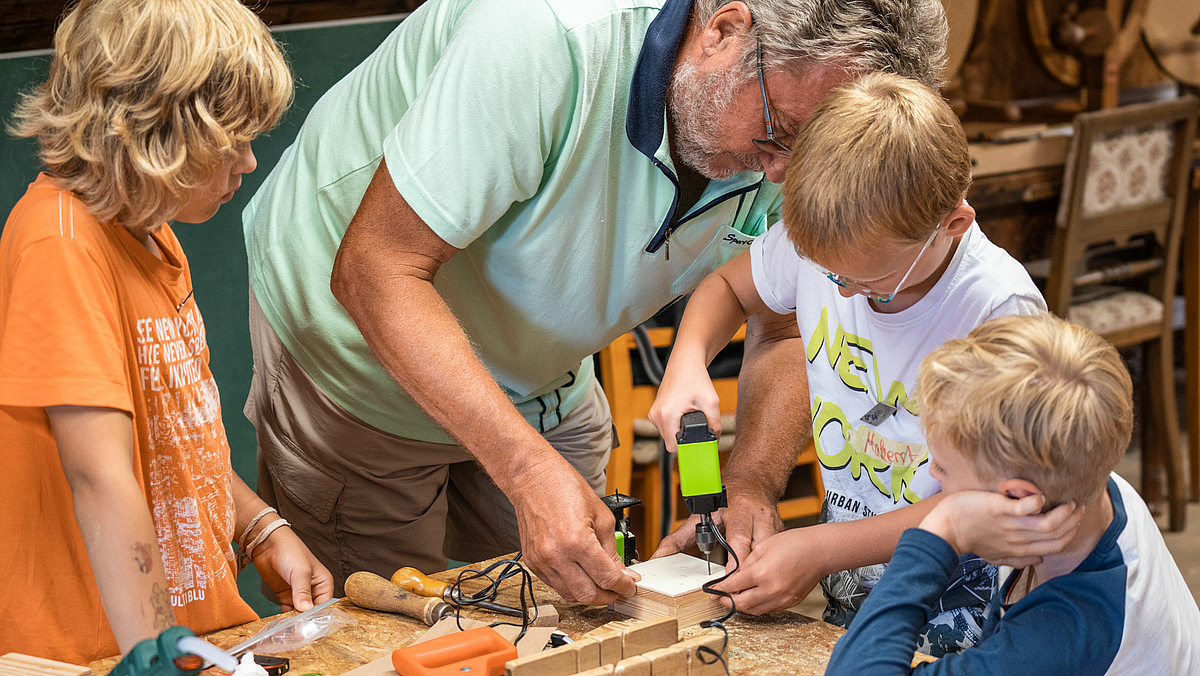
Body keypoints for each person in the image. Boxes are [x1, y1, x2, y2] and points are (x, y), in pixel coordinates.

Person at [241, 0, 950, 603]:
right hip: (363, 346)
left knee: (577, 601)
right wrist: (523, 468)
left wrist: (752, 489)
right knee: (400, 628)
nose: (783, 174)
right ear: (724, 29)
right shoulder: (546, 36)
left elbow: (785, 317)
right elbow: (377, 267)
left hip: (543, 367)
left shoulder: (790, 124)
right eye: (782, 134)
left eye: (815, 151)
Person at [647, 72, 1074, 655]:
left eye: (868, 280)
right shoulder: (832, 243)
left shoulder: (998, 312)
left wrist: (820, 549)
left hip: (963, 608)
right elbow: (728, 287)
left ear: (952, 223)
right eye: (828, 274)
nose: (843, 294)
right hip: (854, 584)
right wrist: (689, 359)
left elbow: (996, 499)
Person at [0, 0, 332, 663]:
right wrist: (149, 650)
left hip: (193, 639)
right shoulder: (61, 243)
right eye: (230, 139)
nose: (247, 163)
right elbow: (99, 476)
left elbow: (175, 435)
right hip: (98, 650)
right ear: (153, 129)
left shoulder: (150, 231)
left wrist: (261, 527)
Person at [825, 313, 1200, 674]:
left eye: (943, 466)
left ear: (1018, 498)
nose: (932, 472)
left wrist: (942, 528)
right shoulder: (1086, 483)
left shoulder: (1059, 638)